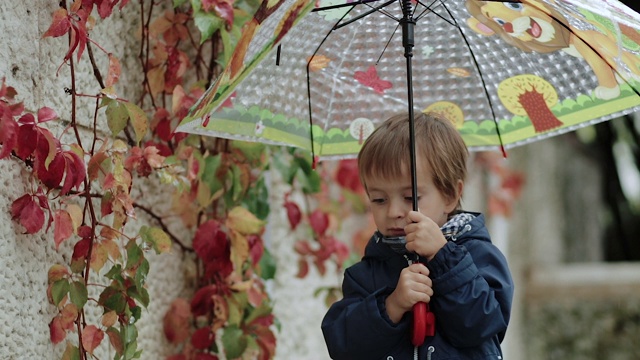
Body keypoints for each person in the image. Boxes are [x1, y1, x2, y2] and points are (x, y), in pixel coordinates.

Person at [321, 113, 514, 359]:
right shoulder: (367, 273)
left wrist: (443, 258)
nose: (393, 212)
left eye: (410, 198)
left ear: (450, 196)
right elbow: (343, 346)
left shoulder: (478, 255)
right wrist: (391, 306)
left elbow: (482, 325)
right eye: (379, 200)